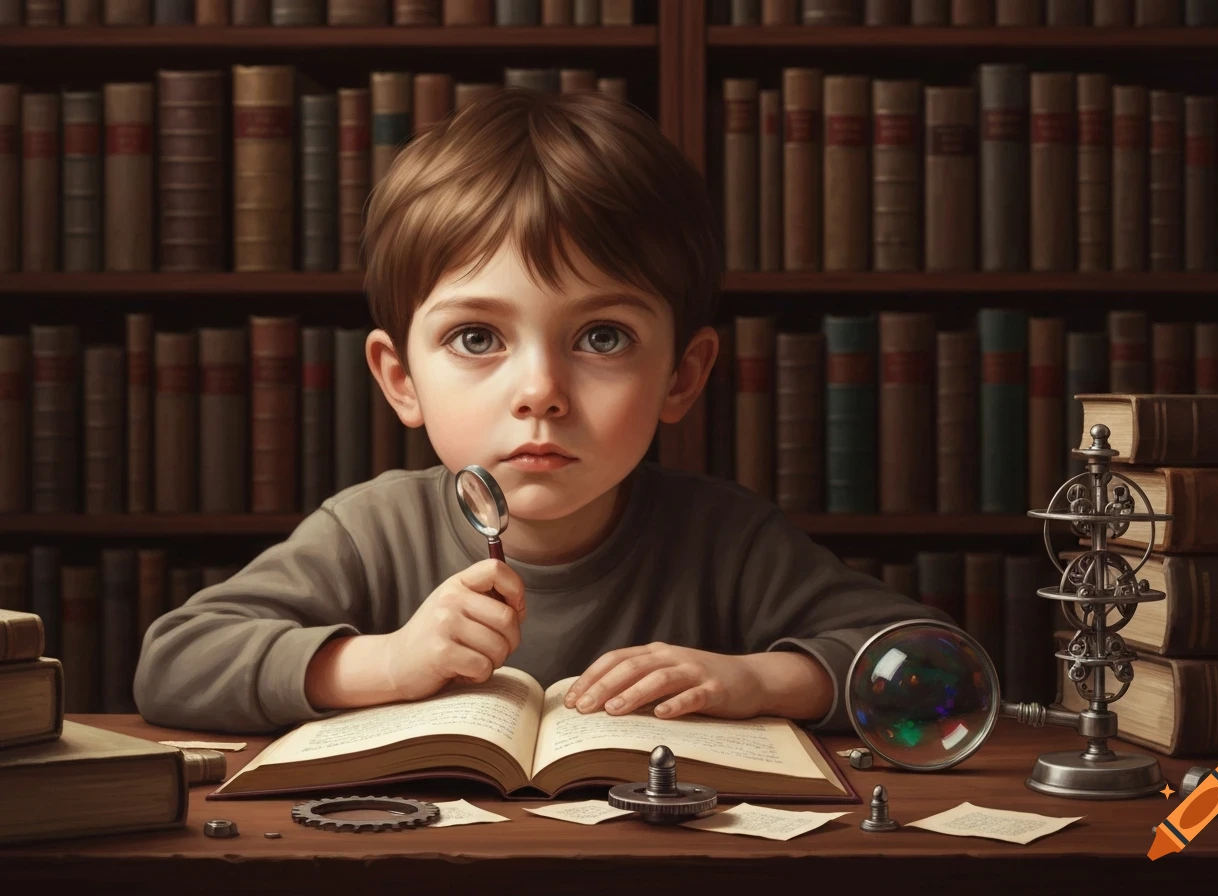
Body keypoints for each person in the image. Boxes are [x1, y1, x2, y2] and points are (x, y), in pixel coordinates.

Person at [132, 87, 952, 736]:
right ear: (399, 378)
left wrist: (758, 679)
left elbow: (940, 670)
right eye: (478, 336)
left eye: (601, 336)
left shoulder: (727, 541)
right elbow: (174, 664)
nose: (541, 391)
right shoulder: (368, 532)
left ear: (681, 375)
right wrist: (388, 663)